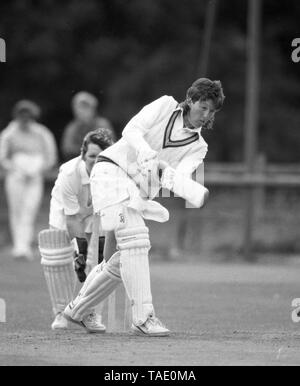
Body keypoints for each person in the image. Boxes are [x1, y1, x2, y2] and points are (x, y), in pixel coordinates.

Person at [63, 78, 225, 336]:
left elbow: (176, 179)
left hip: (134, 193)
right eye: (203, 107)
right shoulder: (165, 106)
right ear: (191, 100)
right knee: (137, 240)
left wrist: (162, 170)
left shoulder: (198, 148)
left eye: (212, 111)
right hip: (110, 171)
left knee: (120, 259)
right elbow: (131, 130)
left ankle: (78, 310)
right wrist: (146, 154)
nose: (206, 115)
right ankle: (144, 317)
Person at [44, 128, 115, 330]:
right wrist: (80, 249)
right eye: (92, 156)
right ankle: (60, 312)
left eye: (102, 157)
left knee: (100, 261)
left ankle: (90, 312)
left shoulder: (113, 173)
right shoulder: (69, 174)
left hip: (96, 211)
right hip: (65, 209)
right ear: (83, 155)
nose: (96, 160)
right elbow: (72, 217)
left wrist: (100, 247)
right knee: (58, 255)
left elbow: (108, 215)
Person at [0, 100, 57, 261]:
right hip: (16, 176)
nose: (25, 119)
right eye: (22, 115)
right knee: (16, 211)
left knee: (29, 210)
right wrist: (15, 168)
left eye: (28, 115)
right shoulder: (9, 133)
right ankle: (19, 247)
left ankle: (24, 246)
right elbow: (3, 156)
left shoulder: (42, 133)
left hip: (35, 176)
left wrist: (38, 168)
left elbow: (50, 155)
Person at [61, 91, 116, 161]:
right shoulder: (72, 128)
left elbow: (110, 147)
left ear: (93, 109)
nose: (81, 111)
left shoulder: (102, 125)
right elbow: (67, 150)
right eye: (79, 108)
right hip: (78, 164)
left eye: (85, 107)